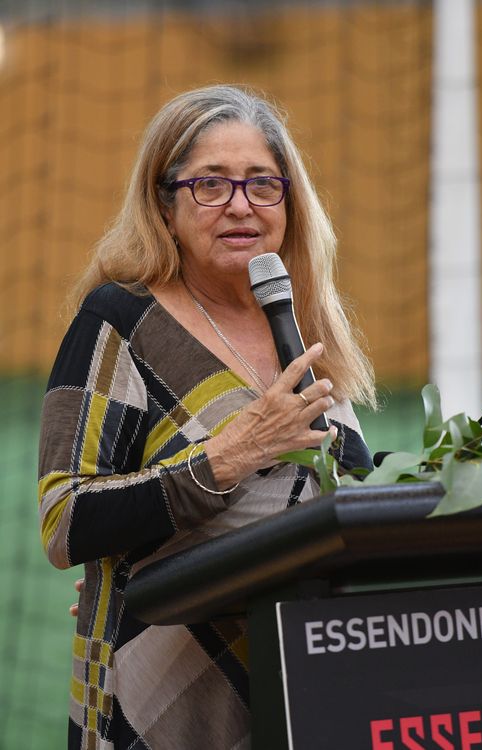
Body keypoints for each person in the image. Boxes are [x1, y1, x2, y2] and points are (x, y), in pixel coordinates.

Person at [38, 83, 375, 750]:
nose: (241, 206)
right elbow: (64, 519)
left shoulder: (302, 325)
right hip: (158, 692)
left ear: (290, 201)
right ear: (164, 205)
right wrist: (228, 458)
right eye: (210, 185)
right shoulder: (121, 321)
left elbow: (349, 499)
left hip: (304, 681)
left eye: (261, 184)